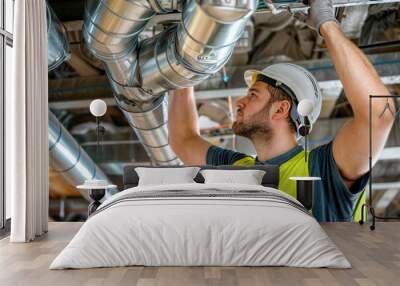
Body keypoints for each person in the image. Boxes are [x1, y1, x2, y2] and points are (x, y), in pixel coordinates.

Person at [168, 0, 395, 222]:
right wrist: (188, 62)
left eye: (252, 95)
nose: (239, 102)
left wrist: (327, 24)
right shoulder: (239, 168)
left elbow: (379, 114)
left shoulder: (322, 169)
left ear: (281, 109)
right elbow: (183, 138)